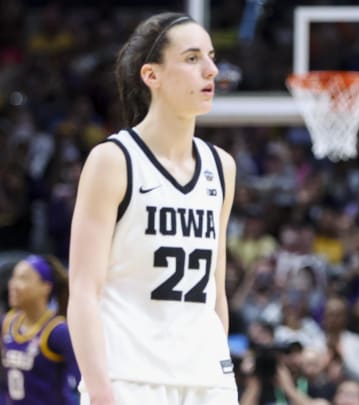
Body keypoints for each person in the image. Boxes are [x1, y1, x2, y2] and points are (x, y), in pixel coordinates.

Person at [66, 12, 237, 405]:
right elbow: (83, 291)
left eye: (211, 57)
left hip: (207, 381)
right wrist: (100, 389)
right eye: (193, 58)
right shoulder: (113, 160)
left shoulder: (221, 167)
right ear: (152, 75)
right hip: (130, 377)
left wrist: (219, 371)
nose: (211, 70)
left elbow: (217, 291)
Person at [1, 254, 80, 404]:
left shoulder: (58, 331)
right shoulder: (7, 323)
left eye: (23, 278)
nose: (13, 284)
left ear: (46, 287)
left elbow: (81, 382)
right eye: (13, 277)